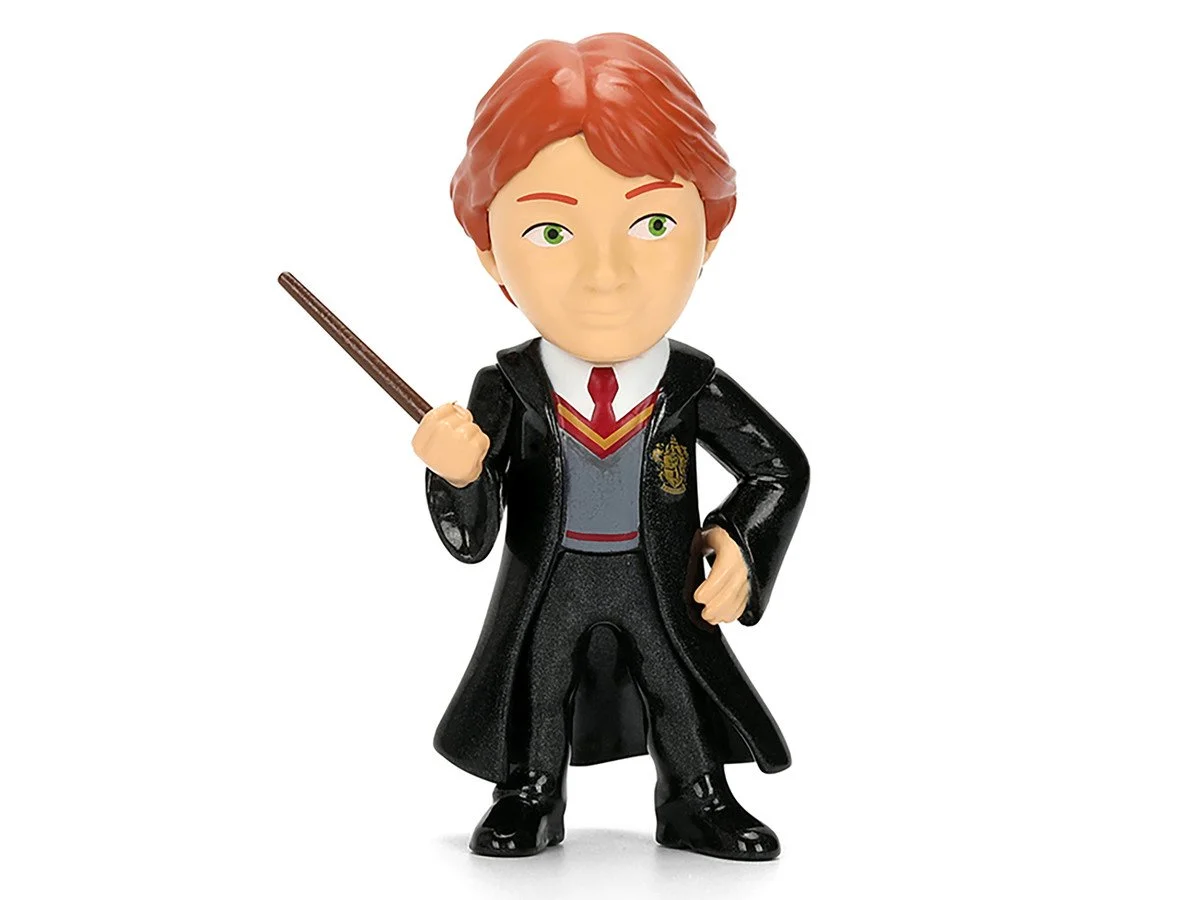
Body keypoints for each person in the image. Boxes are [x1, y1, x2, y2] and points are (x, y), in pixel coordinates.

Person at [412, 32, 810, 861]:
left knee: (677, 681)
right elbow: (474, 536)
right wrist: (461, 477)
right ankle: (530, 789)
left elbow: (777, 466)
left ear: (709, 237)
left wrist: (739, 541)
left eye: (653, 223)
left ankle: (695, 793)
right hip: (550, 576)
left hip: (655, 575)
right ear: (490, 253)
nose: (606, 274)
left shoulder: (691, 386)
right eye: (551, 233)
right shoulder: (508, 388)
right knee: (539, 677)